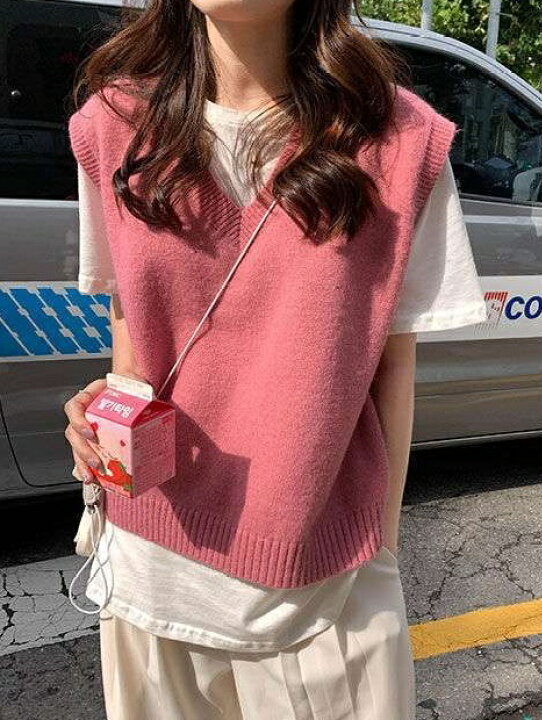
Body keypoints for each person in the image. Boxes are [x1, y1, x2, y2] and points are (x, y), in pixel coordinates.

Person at [63, 1, 488, 718]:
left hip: (323, 587)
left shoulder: (400, 139)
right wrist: (103, 412)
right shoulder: (112, 127)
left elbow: (394, 367)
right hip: (147, 569)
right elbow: (132, 332)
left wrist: (382, 554)